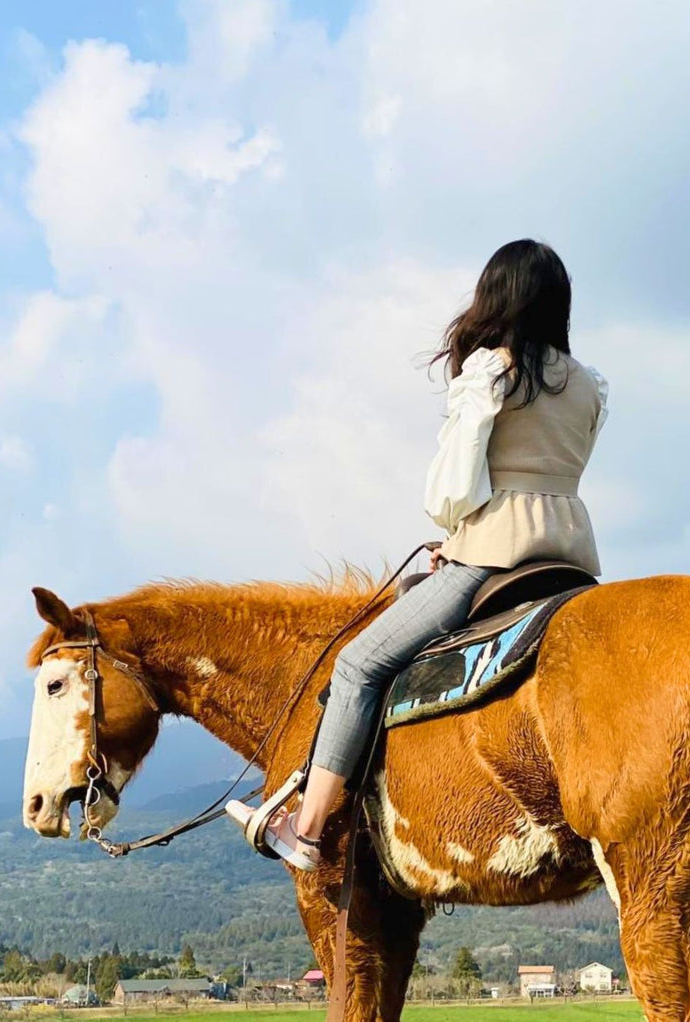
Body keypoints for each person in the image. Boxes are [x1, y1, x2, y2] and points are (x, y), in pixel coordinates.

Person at [227, 239, 608, 870]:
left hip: (492, 556)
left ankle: (309, 826)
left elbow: (453, 493)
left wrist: (457, 530)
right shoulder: (589, 387)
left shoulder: (491, 371)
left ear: (497, 297)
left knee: (357, 666)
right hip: (570, 559)